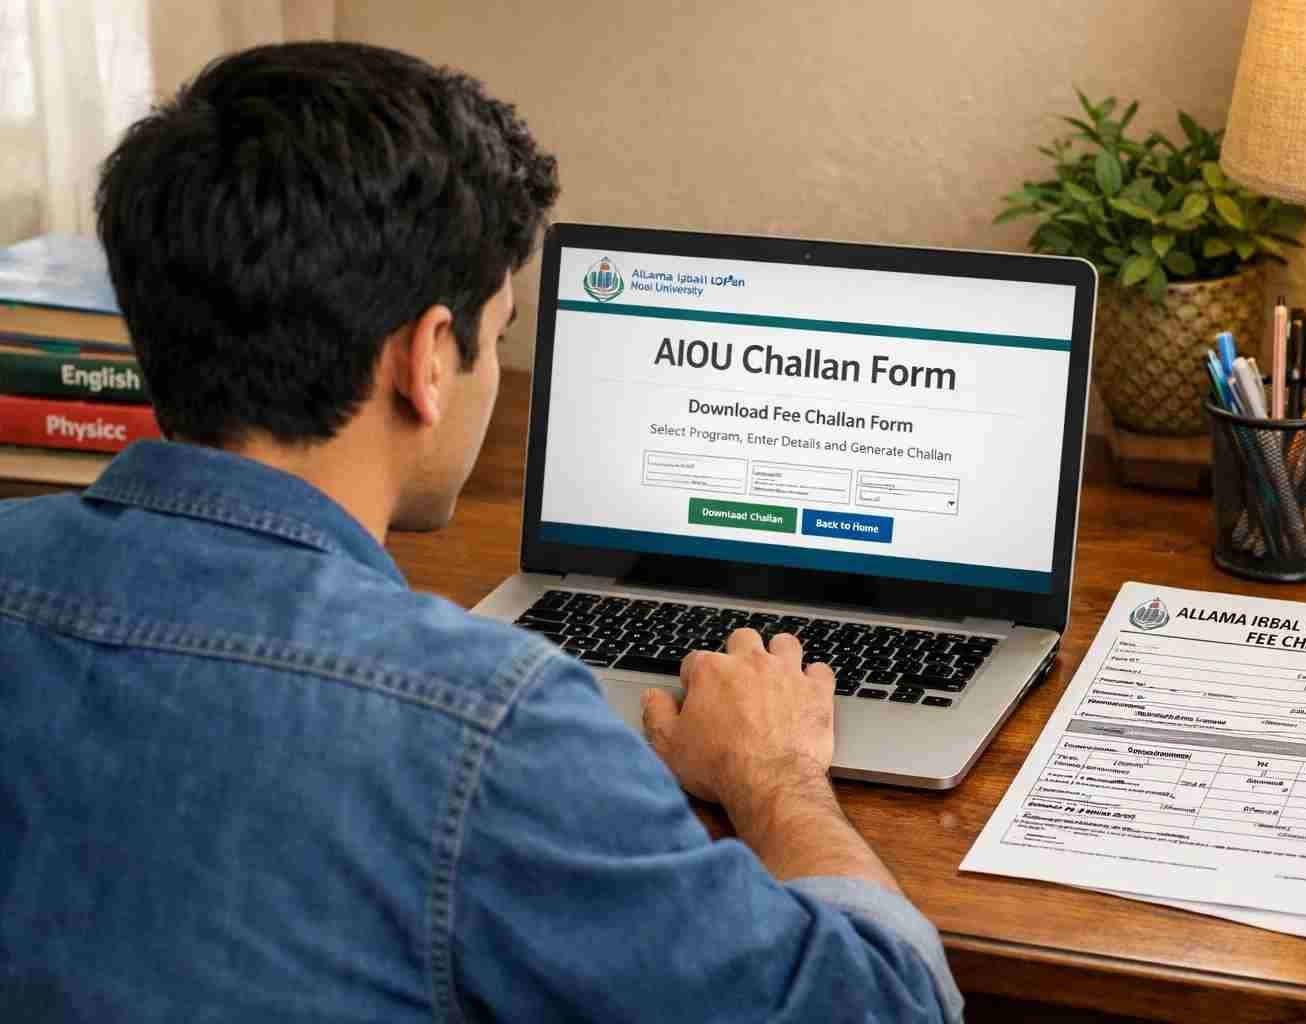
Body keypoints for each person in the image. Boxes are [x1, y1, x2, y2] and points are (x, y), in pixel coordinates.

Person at [0, 42, 962, 1022]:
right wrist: (777, 777)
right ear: (425, 360)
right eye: (497, 335)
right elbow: (887, 1007)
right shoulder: (485, 725)